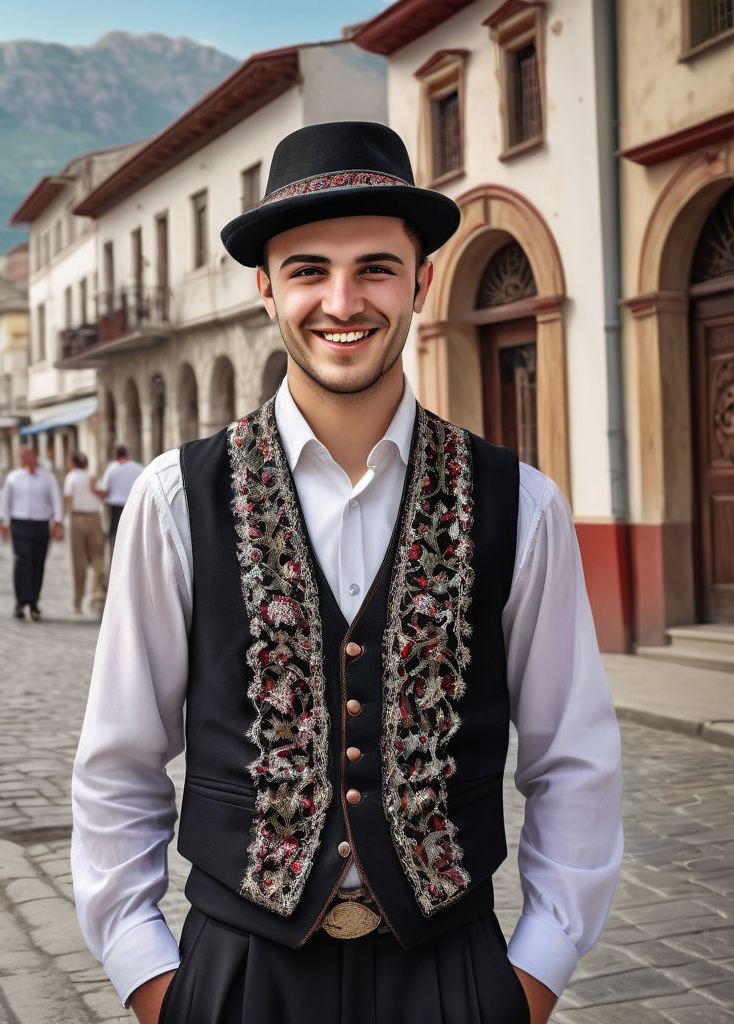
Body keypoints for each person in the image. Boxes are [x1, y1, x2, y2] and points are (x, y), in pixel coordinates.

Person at [71, 122, 623, 1024]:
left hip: (451, 975)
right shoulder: (176, 498)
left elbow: (574, 759)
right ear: (265, 289)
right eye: (307, 270)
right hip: (240, 977)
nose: (342, 300)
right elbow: (119, 761)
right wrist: (154, 983)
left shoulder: (521, 503)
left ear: (421, 280)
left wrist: (528, 980)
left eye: (375, 266)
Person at [0, 446, 63, 620]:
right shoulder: (13, 478)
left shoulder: (48, 478)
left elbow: (56, 499)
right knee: (22, 560)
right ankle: (21, 601)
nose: (26, 458)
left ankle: (34, 601)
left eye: (29, 455)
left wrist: (58, 521)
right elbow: (5, 501)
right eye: (23, 455)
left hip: (41, 524)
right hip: (19, 523)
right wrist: (3, 522)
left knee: (38, 562)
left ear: (35, 456)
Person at [63, 452, 105, 614]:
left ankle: (78, 601)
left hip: (77, 519)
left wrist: (66, 518)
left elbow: (68, 499)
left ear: (73, 463)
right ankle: (97, 595)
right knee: (98, 558)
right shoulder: (92, 477)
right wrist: (93, 489)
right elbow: (103, 494)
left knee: (78, 561)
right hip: (94, 518)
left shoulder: (71, 477)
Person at [96, 444, 143, 556]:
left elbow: (104, 487)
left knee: (115, 536)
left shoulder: (112, 469)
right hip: (133, 506)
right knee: (133, 534)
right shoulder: (138, 467)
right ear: (127, 454)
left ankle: (116, 560)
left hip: (115, 508)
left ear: (116, 455)